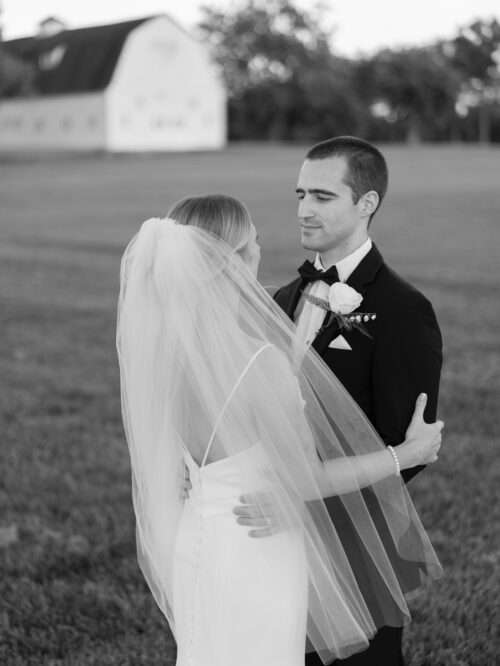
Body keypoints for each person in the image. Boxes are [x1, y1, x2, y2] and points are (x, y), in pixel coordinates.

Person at [116, 194, 443, 666]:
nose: (261, 253)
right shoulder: (258, 362)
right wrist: (407, 454)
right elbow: (306, 479)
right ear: (231, 263)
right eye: (254, 243)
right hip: (257, 545)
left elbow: (171, 461)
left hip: (198, 541)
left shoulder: (164, 356)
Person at [236, 137, 443, 665]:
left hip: (358, 539)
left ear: (366, 203)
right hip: (274, 533)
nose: (305, 209)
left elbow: (406, 447)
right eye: (300, 194)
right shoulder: (282, 298)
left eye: (323, 197)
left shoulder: (403, 309)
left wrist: (305, 500)